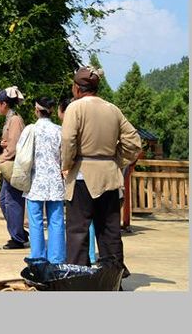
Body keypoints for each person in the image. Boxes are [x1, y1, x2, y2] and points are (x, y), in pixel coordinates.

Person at [60, 65, 142, 274]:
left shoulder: (75, 108)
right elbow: (134, 142)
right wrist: (115, 159)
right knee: (109, 230)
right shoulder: (112, 109)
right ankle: (113, 277)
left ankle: (78, 277)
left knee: (78, 230)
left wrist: (66, 165)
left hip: (82, 176)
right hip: (109, 176)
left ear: (77, 88)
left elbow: (68, 140)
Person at [21, 96, 66, 263]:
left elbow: (22, 153)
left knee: (36, 221)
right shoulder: (59, 130)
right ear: (52, 110)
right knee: (57, 221)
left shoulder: (30, 129)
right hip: (55, 180)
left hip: (35, 180)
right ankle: (57, 258)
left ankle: (38, 257)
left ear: (36, 110)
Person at [58, 97, 98, 264]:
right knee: (91, 220)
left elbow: (68, 144)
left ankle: (81, 259)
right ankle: (90, 255)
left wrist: (66, 165)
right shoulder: (93, 122)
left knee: (79, 221)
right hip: (97, 175)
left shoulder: (71, 124)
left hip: (79, 174)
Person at [0, 85, 29, 249]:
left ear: (4, 104)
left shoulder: (14, 119)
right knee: (4, 201)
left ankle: (18, 237)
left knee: (12, 202)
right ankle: (19, 232)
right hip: (10, 165)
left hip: (12, 165)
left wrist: (3, 157)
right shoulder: (12, 119)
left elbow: (14, 146)